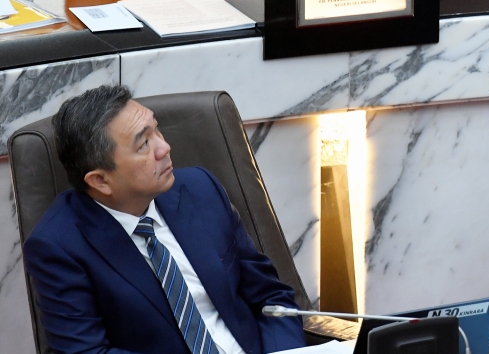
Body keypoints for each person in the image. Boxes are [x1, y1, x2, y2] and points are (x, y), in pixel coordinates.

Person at [23, 85, 307, 354]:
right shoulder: (58, 247)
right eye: (144, 144)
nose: (165, 148)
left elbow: (272, 298)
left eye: (156, 130)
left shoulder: (200, 189)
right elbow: (87, 351)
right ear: (100, 180)